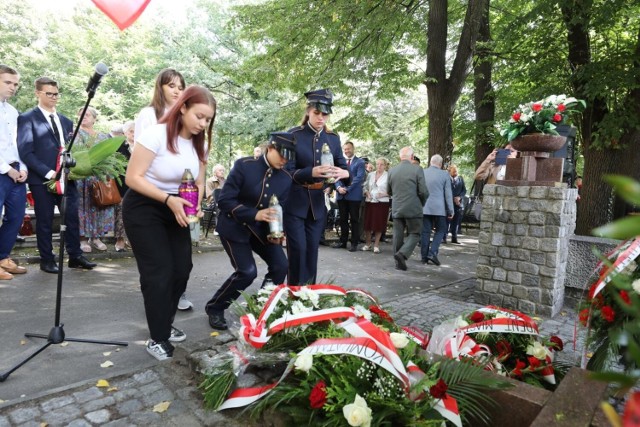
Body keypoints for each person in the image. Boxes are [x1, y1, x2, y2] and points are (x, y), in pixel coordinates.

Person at [123, 85, 216, 360]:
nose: (203, 124)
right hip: (144, 206)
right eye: (199, 116)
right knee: (158, 272)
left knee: (181, 268)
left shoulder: (201, 144)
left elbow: (199, 182)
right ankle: (157, 337)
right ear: (183, 107)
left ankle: (164, 321)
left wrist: (195, 205)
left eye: (208, 119)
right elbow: (133, 178)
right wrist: (167, 199)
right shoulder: (156, 135)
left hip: (177, 207)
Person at [205, 132, 295, 330]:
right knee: (247, 272)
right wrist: (255, 214)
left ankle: (262, 304)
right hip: (233, 226)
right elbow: (225, 200)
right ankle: (215, 307)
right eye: (282, 155)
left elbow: (282, 209)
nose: (285, 160)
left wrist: (279, 231)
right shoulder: (245, 165)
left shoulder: (286, 178)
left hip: (262, 231)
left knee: (281, 265)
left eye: (289, 157)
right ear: (270, 148)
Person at [18, 77, 96, 274]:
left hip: (67, 179)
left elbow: (72, 149)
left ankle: (75, 256)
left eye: (56, 94)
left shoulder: (66, 121)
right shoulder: (27, 119)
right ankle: (47, 259)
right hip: (42, 180)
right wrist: (50, 172)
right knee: (44, 220)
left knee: (72, 218)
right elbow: (26, 152)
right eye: (49, 93)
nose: (54, 97)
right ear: (37, 93)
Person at [134, 68, 193, 311]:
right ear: (160, 88)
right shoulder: (149, 115)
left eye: (180, 87)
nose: (177, 91)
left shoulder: (185, 115)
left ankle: (176, 294)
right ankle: (157, 302)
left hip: (179, 194)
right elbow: (141, 156)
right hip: (151, 194)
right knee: (157, 261)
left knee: (181, 259)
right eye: (171, 86)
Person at [284, 88, 349, 285]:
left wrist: (345, 174)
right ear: (308, 112)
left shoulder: (333, 138)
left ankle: (309, 294)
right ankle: (294, 295)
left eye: (325, 114)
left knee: (312, 251)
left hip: (318, 206)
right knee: (298, 251)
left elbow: (343, 166)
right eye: (316, 113)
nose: (321, 118)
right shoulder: (292, 135)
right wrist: (310, 173)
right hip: (295, 203)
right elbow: (285, 172)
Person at [0, 65, 28, 279]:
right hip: (3, 171)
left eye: (15, 84)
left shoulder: (12, 111)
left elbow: (17, 144)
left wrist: (22, 167)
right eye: (8, 82)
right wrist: (6, 169)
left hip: (15, 171)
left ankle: (3, 258)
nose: (13, 87)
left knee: (16, 217)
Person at [75, 107, 113, 253]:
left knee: (98, 205)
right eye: (80, 114)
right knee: (82, 207)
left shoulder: (103, 136)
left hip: (99, 177)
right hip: (81, 177)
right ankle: (83, 238)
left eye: (87, 114)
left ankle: (96, 237)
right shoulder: (74, 134)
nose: (83, 116)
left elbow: (109, 155)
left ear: (94, 118)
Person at [387, 147, 427, 271]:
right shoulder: (417, 169)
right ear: (412, 156)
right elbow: (424, 191)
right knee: (415, 233)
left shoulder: (392, 171)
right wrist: (421, 203)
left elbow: (389, 191)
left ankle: (398, 263)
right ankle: (402, 254)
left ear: (400, 157)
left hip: (397, 207)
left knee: (398, 235)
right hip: (413, 208)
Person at [332, 141, 365, 251]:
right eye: (345, 149)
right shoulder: (340, 163)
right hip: (341, 196)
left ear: (353, 148)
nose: (347, 151)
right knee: (343, 219)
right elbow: (335, 176)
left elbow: (359, 178)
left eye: (348, 148)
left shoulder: (360, 162)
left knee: (354, 220)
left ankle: (354, 243)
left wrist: (347, 189)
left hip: (354, 196)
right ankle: (343, 241)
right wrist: (338, 187)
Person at [421, 154, 454, 266]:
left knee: (425, 232)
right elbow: (448, 194)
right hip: (439, 209)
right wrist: (451, 210)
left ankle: (424, 257)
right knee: (441, 230)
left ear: (431, 162)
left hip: (424, 207)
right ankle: (433, 252)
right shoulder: (445, 174)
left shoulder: (423, 173)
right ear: (440, 164)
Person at [113, 120, 135, 252]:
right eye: (131, 131)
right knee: (121, 213)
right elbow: (115, 166)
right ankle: (120, 240)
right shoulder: (119, 146)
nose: (134, 133)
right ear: (125, 133)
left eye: (136, 131)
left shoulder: (142, 146)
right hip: (123, 185)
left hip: (140, 186)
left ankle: (133, 239)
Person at [362, 157, 390, 254]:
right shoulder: (370, 175)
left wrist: (384, 194)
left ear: (385, 165)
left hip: (382, 202)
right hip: (369, 201)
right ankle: (368, 244)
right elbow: (364, 186)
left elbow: (393, 190)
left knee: (379, 224)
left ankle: (376, 245)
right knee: (368, 223)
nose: (379, 166)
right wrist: (366, 193)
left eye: (381, 164)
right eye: (377, 164)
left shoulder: (388, 176)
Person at [447, 164, 466, 244]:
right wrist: (452, 198)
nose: (455, 173)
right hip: (448, 203)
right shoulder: (446, 179)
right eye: (454, 171)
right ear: (449, 172)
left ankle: (454, 237)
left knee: (456, 221)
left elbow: (464, 190)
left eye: (456, 171)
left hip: (458, 203)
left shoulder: (460, 179)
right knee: (446, 220)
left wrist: (459, 197)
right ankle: (444, 237)